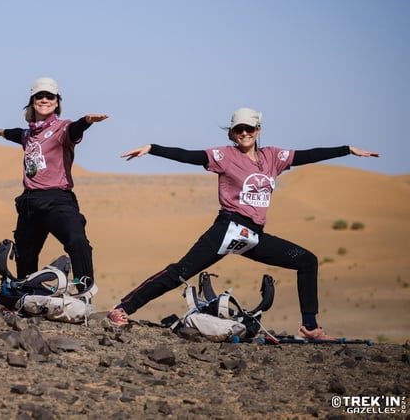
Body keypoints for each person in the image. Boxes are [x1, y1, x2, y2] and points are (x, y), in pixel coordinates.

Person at [107, 107, 379, 340]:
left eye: (249, 128)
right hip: (228, 229)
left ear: (258, 129)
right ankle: (122, 309)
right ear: (232, 133)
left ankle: (310, 327)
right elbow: (189, 156)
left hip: (253, 236)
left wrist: (346, 150)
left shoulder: (273, 157)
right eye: (239, 130)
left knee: (307, 261)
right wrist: (153, 149)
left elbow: (308, 155)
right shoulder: (225, 156)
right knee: (181, 271)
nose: (244, 133)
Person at [0, 77, 108, 287]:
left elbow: (74, 130)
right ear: (32, 101)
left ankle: (84, 290)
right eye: (39, 96)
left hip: (57, 200)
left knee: (77, 241)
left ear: (56, 102)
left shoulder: (62, 129)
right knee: (25, 255)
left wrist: (87, 121)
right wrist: (2, 133)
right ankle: (27, 295)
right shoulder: (28, 134)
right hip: (30, 203)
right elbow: (16, 134)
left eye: (49, 96)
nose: (44, 99)